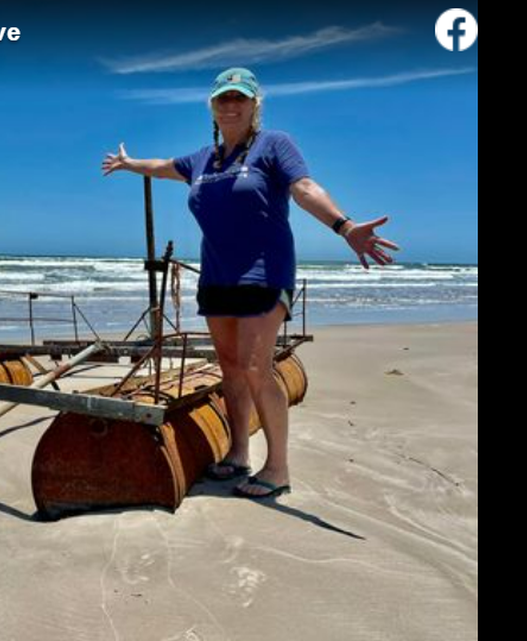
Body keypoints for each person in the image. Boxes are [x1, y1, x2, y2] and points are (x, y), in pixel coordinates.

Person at [101, 67, 400, 499]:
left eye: (240, 97)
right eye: (223, 98)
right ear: (213, 107)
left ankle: (277, 468)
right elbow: (165, 167)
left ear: (255, 105)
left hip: (266, 273)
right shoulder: (202, 159)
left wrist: (344, 226)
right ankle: (238, 453)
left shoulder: (274, 144)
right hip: (218, 276)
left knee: (257, 367)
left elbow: (303, 187)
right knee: (232, 369)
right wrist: (130, 165)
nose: (231, 104)